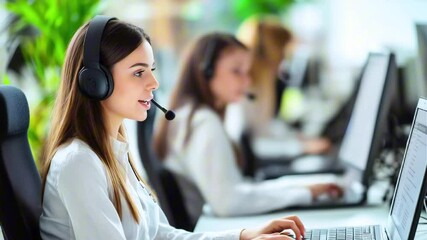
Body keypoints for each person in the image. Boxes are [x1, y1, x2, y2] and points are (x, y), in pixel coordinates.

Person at [39, 15, 310, 240]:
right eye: (138, 72)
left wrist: (242, 236)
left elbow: (161, 235)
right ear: (95, 81)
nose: (154, 83)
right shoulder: (79, 162)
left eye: (152, 69)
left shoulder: (113, 153)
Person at [153, 33, 342, 224]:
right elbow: (228, 203)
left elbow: (237, 190)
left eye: (247, 71)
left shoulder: (190, 115)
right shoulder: (203, 123)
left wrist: (301, 187)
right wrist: (303, 193)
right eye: (236, 71)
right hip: (212, 227)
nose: (247, 81)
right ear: (206, 72)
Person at [227, 16, 331, 158]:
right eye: (283, 53)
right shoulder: (241, 89)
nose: (285, 60)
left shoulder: (265, 83)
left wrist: (296, 137)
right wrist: (300, 147)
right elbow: (250, 144)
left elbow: (265, 127)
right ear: (273, 52)